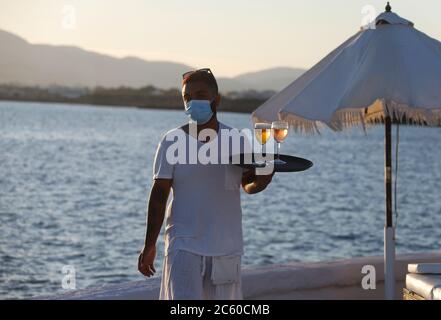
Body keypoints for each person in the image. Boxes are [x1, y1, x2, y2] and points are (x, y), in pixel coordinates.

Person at [138, 68, 274, 299]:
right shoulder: (173, 140)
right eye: (187, 97)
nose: (192, 102)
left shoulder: (237, 140)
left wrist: (265, 177)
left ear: (216, 99)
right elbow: (159, 195)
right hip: (184, 246)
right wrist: (149, 245)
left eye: (199, 95)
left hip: (226, 248)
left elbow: (249, 185)